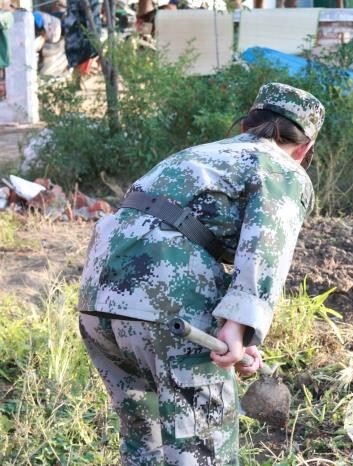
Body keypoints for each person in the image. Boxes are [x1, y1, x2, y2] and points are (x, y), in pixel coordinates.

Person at [77, 82, 324, 465]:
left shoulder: (199, 154)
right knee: (202, 449)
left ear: (247, 125)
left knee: (145, 446)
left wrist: (235, 329)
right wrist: (237, 326)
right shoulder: (282, 169)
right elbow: (264, 251)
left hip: (99, 299)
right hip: (167, 304)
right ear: (305, 149)